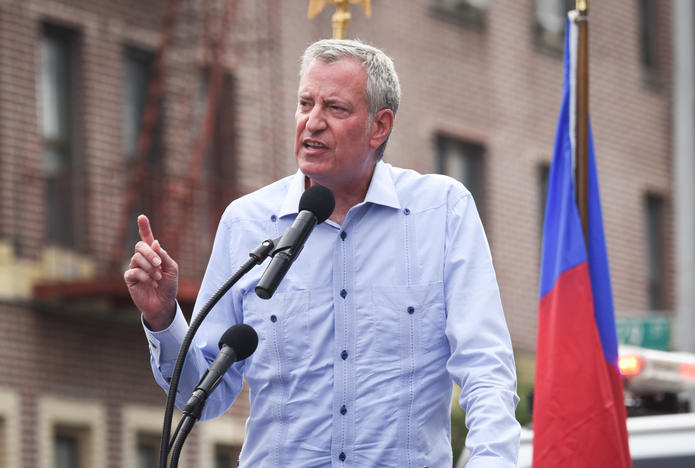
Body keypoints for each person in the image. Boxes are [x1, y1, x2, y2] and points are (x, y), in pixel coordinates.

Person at [125, 38, 520, 467]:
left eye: (335, 108)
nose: (312, 122)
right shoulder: (247, 223)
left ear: (379, 126)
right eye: (305, 103)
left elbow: (486, 370)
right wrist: (163, 319)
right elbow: (206, 395)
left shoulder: (442, 211)